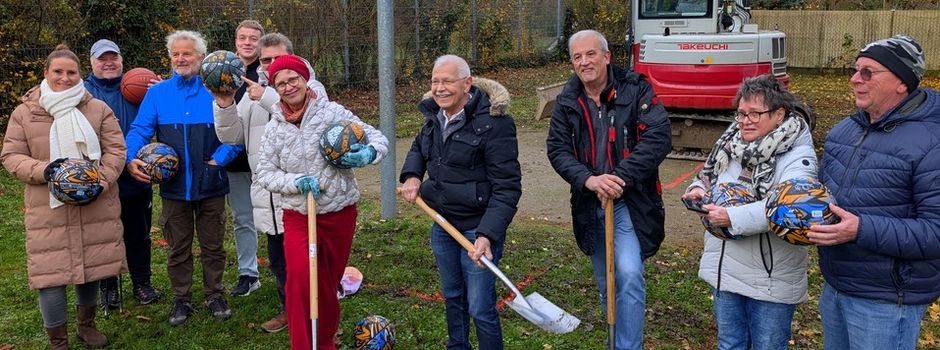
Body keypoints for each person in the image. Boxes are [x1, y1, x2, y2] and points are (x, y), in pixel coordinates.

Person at [808, 35, 940, 350]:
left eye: (868, 72)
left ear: (901, 82)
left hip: (886, 301)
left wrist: (860, 229)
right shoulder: (845, 130)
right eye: (855, 70)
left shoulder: (931, 142)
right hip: (836, 286)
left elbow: (935, 231)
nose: (855, 79)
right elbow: (822, 191)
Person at [546, 29, 671, 350]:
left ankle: (629, 346)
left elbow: (658, 137)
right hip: (590, 204)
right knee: (607, 282)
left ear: (606, 57)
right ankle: (616, 339)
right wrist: (590, 180)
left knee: (628, 274)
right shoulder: (567, 100)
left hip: (630, 201)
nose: (584, 62)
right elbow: (557, 149)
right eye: (577, 57)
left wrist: (618, 179)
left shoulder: (636, 90)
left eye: (591, 54)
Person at [255, 54, 387, 350]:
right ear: (275, 88)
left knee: (327, 284)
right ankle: (305, 346)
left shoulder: (332, 113)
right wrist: (295, 182)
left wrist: (367, 154)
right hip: (299, 216)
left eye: (293, 79)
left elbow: (377, 138)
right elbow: (264, 172)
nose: (289, 87)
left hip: (338, 213)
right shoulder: (275, 127)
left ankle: (325, 339)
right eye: (281, 83)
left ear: (305, 80)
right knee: (301, 280)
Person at [1, 44, 126, 349]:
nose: (65, 78)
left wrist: (99, 180)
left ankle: (87, 325)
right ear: (46, 73)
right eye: (58, 71)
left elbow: (116, 150)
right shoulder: (26, 112)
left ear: (79, 75)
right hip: (49, 208)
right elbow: (11, 155)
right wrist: (47, 171)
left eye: (71, 72)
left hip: (94, 201)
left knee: (90, 266)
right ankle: (58, 341)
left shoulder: (97, 109)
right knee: (51, 275)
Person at [682, 74, 816, 350]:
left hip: (770, 277)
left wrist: (732, 217)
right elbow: (711, 176)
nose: (745, 120)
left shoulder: (797, 155)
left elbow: (791, 207)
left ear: (779, 114)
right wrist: (698, 189)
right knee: (730, 344)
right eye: (741, 113)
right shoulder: (732, 143)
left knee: (767, 346)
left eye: (755, 113)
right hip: (726, 269)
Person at [399, 54, 521, 350]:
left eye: (447, 81)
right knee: (453, 297)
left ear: (467, 83)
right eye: (435, 81)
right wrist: (413, 175)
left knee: (480, 307)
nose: (439, 88)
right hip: (443, 224)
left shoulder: (495, 123)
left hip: (476, 230)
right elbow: (419, 147)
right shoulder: (434, 117)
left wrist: (487, 235)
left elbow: (507, 187)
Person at [124, 30, 243, 326]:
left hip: (212, 184)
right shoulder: (158, 93)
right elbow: (139, 130)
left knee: (213, 245)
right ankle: (182, 299)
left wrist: (220, 159)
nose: (180, 59)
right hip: (174, 187)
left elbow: (237, 133)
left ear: (201, 57)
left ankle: (214, 294)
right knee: (178, 247)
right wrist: (130, 157)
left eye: (187, 53)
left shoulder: (218, 89)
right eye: (175, 54)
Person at [212, 31, 328, 333]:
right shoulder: (253, 93)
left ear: (292, 57)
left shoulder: (312, 87)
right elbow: (232, 137)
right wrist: (224, 104)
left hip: (303, 195)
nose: (272, 64)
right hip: (270, 194)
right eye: (266, 60)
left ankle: (322, 320)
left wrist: (265, 97)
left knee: (310, 264)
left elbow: (301, 116)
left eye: (278, 57)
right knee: (279, 261)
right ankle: (289, 310)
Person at [83, 38, 161, 312]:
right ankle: (109, 287)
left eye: (113, 57)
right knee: (104, 234)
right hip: (101, 174)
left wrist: (160, 91)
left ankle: (142, 282)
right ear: (91, 62)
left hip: (136, 173)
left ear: (121, 60)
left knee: (138, 231)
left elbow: (161, 114)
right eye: (102, 58)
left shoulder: (140, 86)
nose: (108, 62)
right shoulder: (82, 92)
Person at [226, 19, 263, 298]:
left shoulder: (270, 70)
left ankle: (290, 267)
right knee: (243, 218)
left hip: (268, 162)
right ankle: (248, 273)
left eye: (253, 38)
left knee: (281, 217)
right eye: (242, 38)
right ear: (235, 41)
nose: (247, 42)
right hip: (235, 161)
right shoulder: (222, 69)